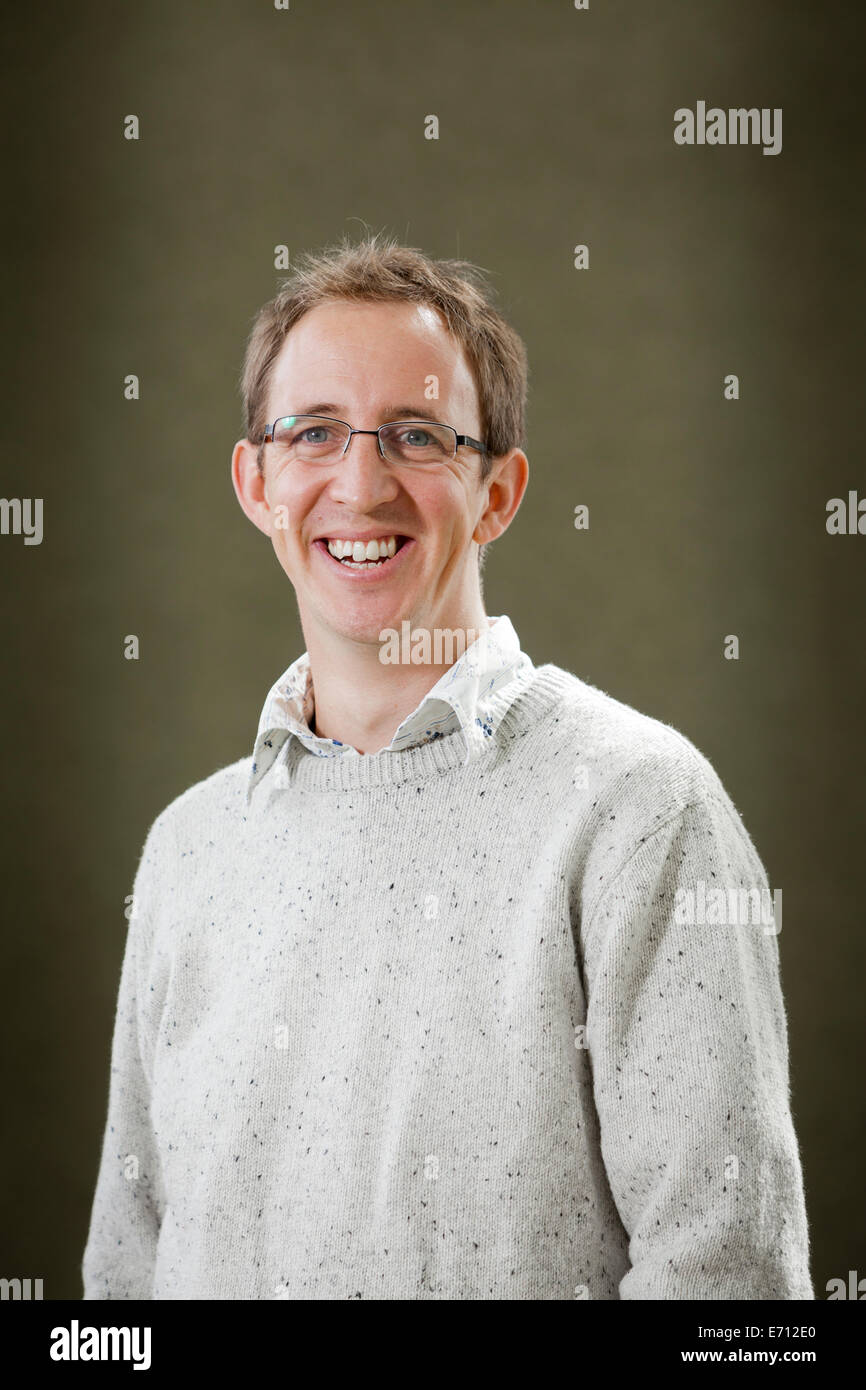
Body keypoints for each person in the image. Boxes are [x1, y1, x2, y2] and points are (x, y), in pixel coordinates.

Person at [82, 234, 813, 1299]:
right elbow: (124, 1279)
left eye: (415, 436)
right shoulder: (189, 848)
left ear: (497, 493)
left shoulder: (637, 811)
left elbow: (728, 1287)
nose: (359, 483)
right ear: (256, 483)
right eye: (314, 432)